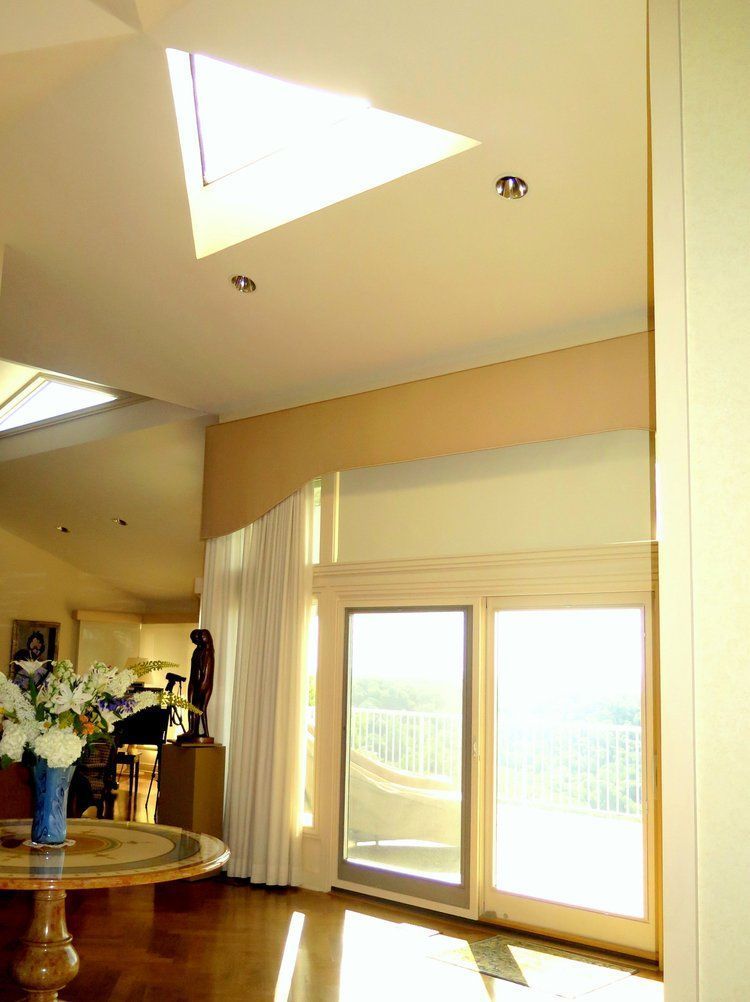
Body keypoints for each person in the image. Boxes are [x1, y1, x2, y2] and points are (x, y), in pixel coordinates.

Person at [176, 629, 215, 744]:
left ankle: (201, 732)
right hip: (193, 681)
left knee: (199, 707)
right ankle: (192, 730)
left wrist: (203, 685)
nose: (195, 641)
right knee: (190, 706)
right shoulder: (197, 651)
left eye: (197, 638)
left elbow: (207, 672)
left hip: (202, 683)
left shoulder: (208, 652)